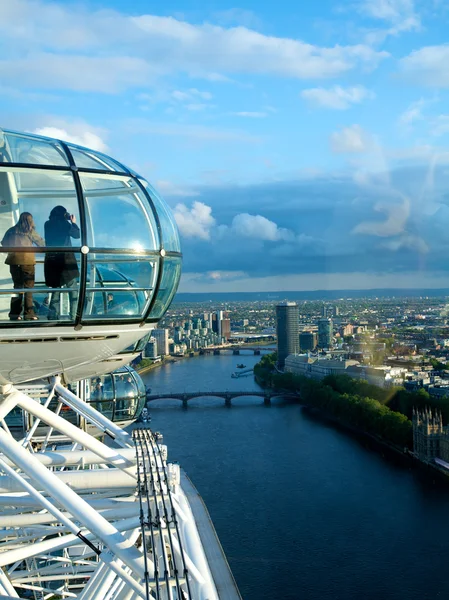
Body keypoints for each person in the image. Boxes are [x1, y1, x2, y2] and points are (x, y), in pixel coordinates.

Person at [1, 212, 44, 320]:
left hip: (14, 262)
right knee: (29, 288)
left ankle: (14, 314)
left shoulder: (11, 230)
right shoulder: (30, 232)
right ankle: (29, 313)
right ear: (30, 220)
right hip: (27, 262)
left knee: (17, 288)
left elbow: (4, 243)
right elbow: (42, 244)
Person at [44, 206, 80, 320]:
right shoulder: (65, 224)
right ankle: (74, 316)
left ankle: (53, 315)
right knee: (72, 289)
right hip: (66, 260)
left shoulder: (47, 224)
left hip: (52, 259)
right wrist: (73, 222)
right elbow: (77, 235)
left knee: (56, 288)